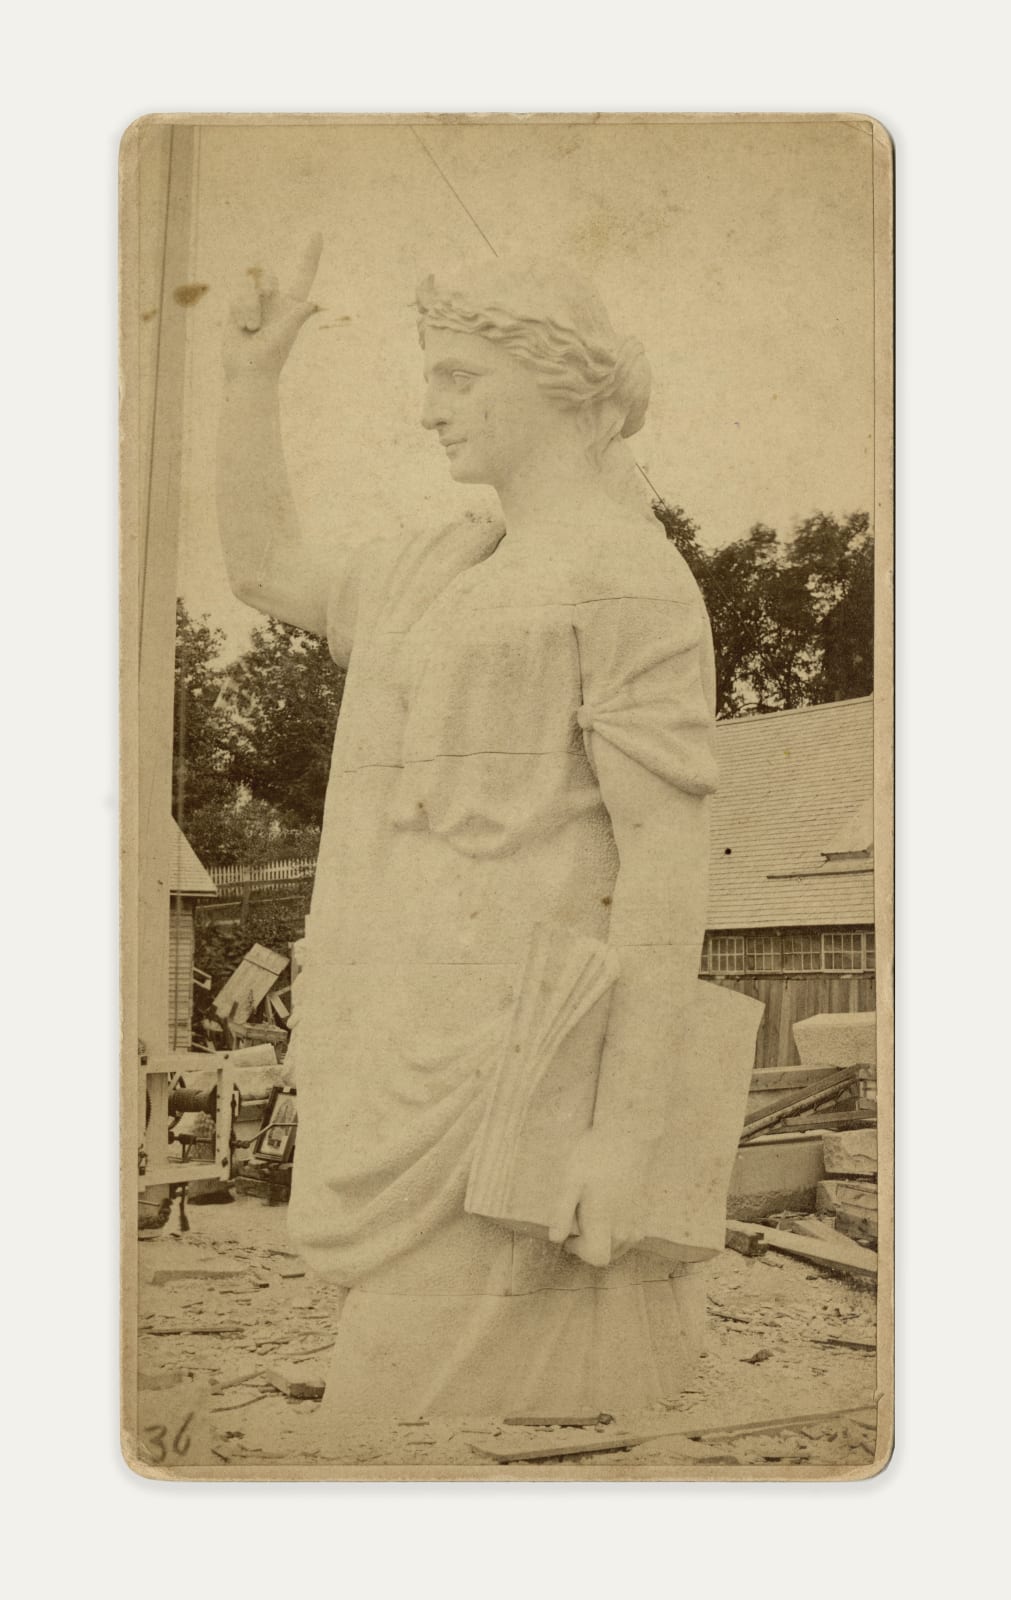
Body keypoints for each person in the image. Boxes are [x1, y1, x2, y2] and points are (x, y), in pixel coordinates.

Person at [217, 239, 731, 1423]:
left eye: (459, 377)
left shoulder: (631, 580)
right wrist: (252, 380)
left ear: (552, 379)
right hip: (408, 1042)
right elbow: (267, 570)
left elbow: (665, 866)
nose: (429, 408)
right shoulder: (438, 566)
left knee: (441, 1415)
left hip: (524, 1074)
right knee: (400, 1416)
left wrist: (622, 1134)